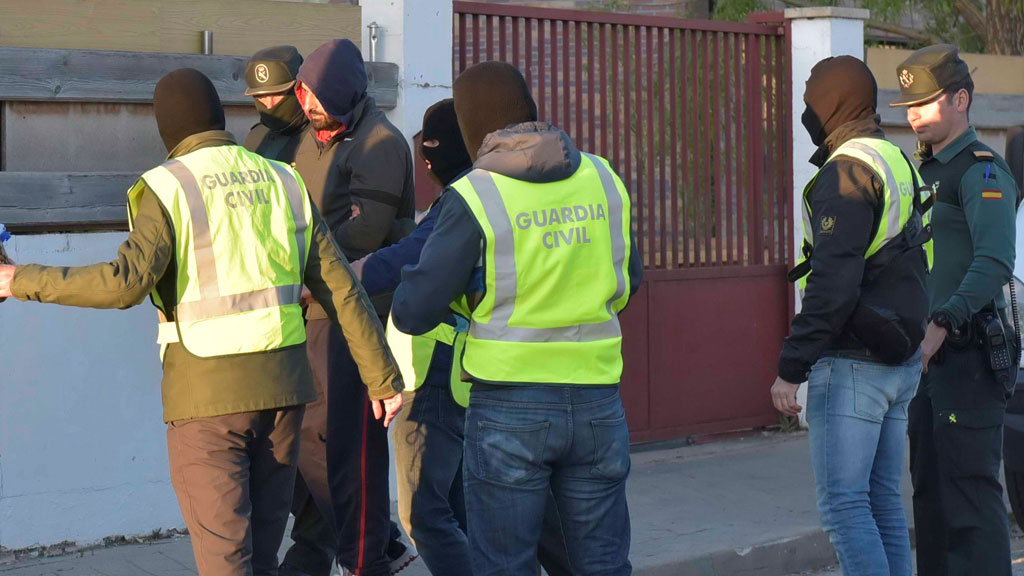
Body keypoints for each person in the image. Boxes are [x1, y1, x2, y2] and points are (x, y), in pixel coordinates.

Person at [0, 68, 403, 576]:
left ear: (168, 128)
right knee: (259, 554)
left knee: (226, 560)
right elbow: (341, 287)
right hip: (283, 397)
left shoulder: (168, 186)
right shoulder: (283, 179)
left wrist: (19, 279)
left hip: (207, 402)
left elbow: (124, 282)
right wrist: (382, 378)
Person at [391, 61, 642, 576]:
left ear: (471, 126)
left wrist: (469, 302)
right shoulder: (602, 176)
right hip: (597, 399)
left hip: (509, 406)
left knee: (504, 565)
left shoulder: (475, 194)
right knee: (602, 564)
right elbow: (628, 281)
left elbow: (414, 310)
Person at [355, 98, 575, 576]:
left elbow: (412, 261)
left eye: (427, 156)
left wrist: (345, 275)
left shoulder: (467, 198)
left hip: (434, 371)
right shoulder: (530, 189)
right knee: (478, 510)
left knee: (426, 514)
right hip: (483, 376)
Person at [771, 55, 932, 576]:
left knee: (844, 507)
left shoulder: (848, 171)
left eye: (810, 102)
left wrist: (791, 367)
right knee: (881, 503)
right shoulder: (895, 159)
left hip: (854, 362)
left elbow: (832, 285)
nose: (806, 113)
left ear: (831, 103)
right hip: (898, 356)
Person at [286, 38, 416, 576]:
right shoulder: (306, 136)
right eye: (306, 100)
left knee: (345, 447)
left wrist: (307, 275)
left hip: (350, 313)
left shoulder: (379, 142)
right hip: (309, 308)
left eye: (322, 105)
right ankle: (367, 543)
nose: (314, 115)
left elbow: (364, 230)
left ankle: (369, 557)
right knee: (309, 443)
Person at [891, 43, 1021, 576]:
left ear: (961, 100)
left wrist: (941, 324)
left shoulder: (981, 171)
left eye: (926, 102)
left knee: (970, 500)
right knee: (932, 497)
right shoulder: (923, 172)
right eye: (909, 107)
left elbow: (993, 262)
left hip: (964, 357)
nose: (915, 114)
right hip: (927, 362)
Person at [244, 45, 309, 163]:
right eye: (260, 96)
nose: (269, 105)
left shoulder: (322, 139)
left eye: (278, 94)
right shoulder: (255, 138)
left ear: (300, 88)